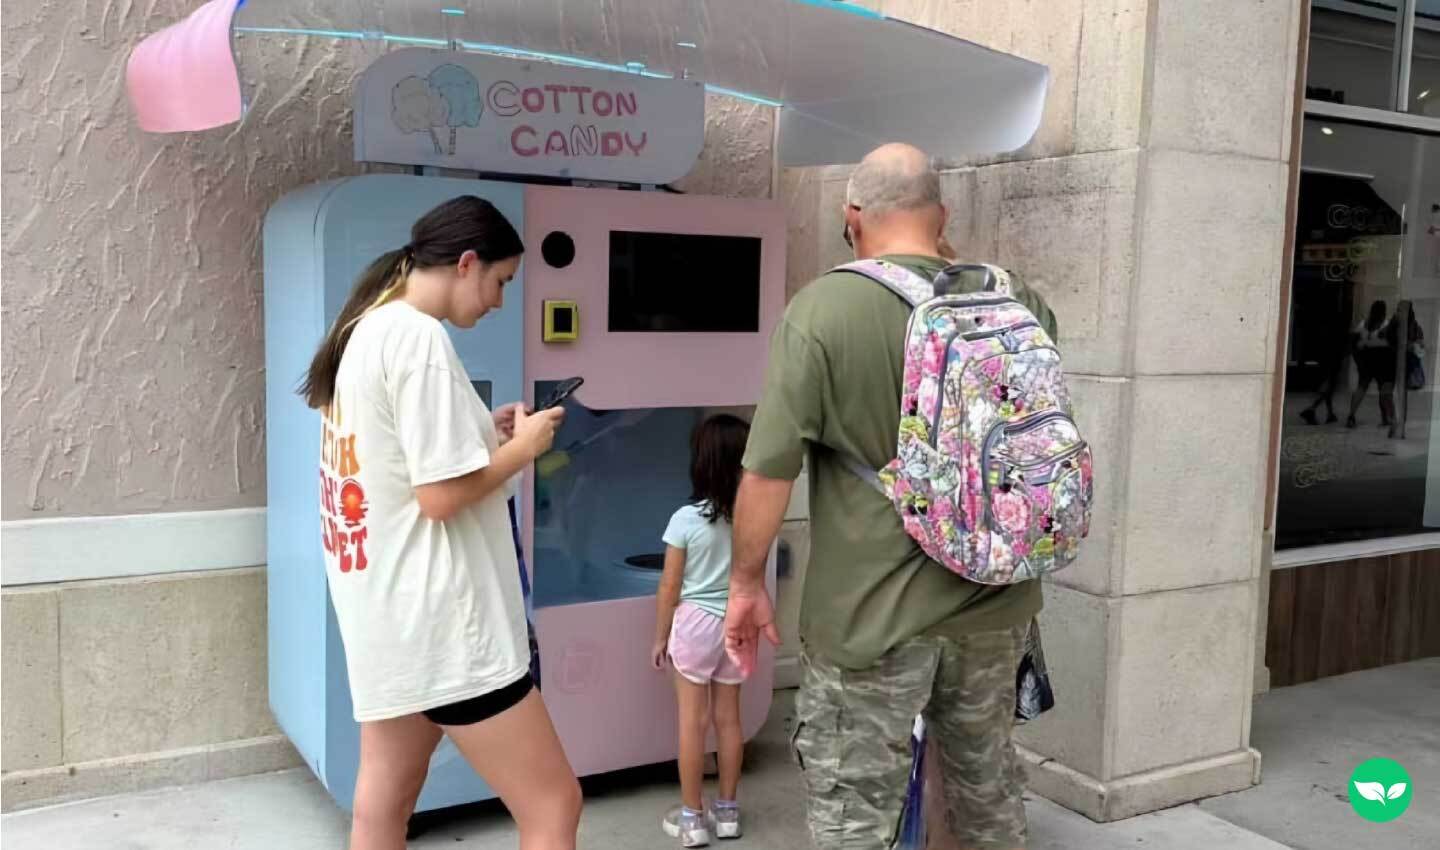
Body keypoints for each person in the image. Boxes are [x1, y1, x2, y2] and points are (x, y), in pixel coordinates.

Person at [724, 144, 1056, 850]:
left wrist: (746, 583)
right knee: (986, 795)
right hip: (996, 605)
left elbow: (768, 473)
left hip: (871, 617)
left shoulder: (822, 310)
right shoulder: (1018, 301)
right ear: (943, 216)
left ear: (851, 216)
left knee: (855, 814)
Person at [300, 196, 581, 850]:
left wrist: (487, 435)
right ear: (466, 262)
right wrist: (526, 447)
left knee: (383, 810)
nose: (500, 301)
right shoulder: (418, 338)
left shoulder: (367, 326)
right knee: (554, 804)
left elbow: (400, 472)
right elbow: (438, 497)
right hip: (449, 630)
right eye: (501, 281)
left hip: (390, 623)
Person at [651, 414, 753, 847]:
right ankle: (727, 812)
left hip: (694, 626)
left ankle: (692, 819)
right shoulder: (750, 518)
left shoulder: (685, 519)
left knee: (692, 724)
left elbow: (669, 586)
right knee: (729, 721)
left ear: (701, 462)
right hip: (738, 624)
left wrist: (660, 637)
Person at [1346, 299, 1397, 436]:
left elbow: (1355, 341)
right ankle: (1386, 418)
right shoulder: (1386, 325)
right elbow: (1390, 342)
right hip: (1382, 361)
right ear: (1383, 311)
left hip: (1366, 361)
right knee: (1383, 390)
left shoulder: (1364, 324)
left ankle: (1351, 416)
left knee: (1361, 388)